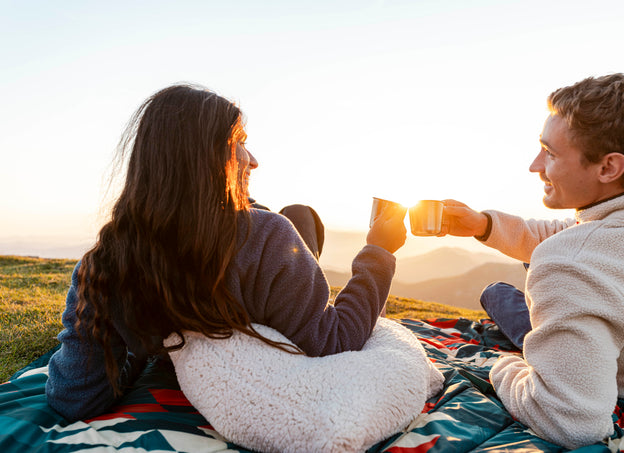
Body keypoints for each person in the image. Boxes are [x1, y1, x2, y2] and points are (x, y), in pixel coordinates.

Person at [45, 84, 407, 422]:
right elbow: (336, 341)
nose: (253, 160)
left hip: (241, 255)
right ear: (205, 158)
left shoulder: (105, 263)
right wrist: (379, 251)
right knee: (298, 216)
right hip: (265, 261)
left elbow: (74, 397)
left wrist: (140, 352)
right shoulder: (270, 238)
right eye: (240, 143)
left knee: (296, 214)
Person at [437, 73, 624, 449]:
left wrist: (504, 368)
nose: (536, 166)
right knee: (505, 294)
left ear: (608, 168)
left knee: (497, 295)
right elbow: (585, 236)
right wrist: (484, 225)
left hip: (621, 370)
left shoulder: (568, 266)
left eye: (550, 153)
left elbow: (571, 423)